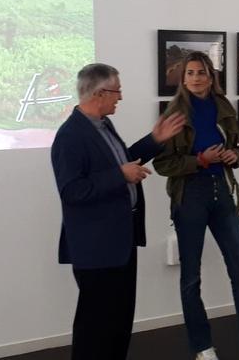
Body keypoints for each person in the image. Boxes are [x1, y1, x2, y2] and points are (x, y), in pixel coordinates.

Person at [153, 51, 239, 360]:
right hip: (189, 195)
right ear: (183, 78)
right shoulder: (173, 113)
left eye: (201, 72)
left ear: (211, 76)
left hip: (221, 191)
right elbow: (163, 163)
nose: (195, 78)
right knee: (191, 276)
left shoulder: (224, 107)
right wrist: (199, 161)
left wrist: (235, 157)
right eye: (189, 73)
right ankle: (203, 348)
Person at [50, 63, 184, 360]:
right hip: (95, 246)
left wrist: (154, 141)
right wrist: (119, 176)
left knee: (119, 321)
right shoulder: (71, 135)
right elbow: (71, 191)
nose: (120, 97)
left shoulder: (102, 125)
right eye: (117, 90)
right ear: (99, 93)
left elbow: (121, 161)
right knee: (95, 324)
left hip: (120, 241)